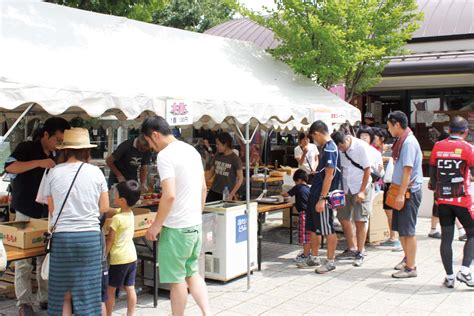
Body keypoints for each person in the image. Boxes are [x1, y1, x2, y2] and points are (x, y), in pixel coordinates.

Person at [141, 116, 210, 316]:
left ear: (154, 135)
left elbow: (169, 195)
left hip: (176, 229)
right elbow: (203, 188)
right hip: (194, 225)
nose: (151, 147)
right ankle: (207, 312)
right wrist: (196, 214)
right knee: (193, 274)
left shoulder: (165, 156)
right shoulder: (192, 151)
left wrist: (156, 226)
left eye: (148, 142)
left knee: (177, 279)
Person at [4, 117, 70, 315]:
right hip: (25, 210)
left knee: (45, 255)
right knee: (23, 260)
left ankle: (45, 298)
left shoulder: (59, 153)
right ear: (46, 134)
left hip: (47, 213)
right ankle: (24, 302)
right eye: (57, 139)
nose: (58, 144)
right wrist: (39, 163)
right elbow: (9, 167)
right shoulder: (27, 147)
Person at [45, 128, 110, 315]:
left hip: (62, 238)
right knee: (89, 294)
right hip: (89, 238)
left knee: (62, 293)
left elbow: (51, 208)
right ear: (86, 150)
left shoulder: (54, 173)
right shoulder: (96, 172)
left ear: (65, 149)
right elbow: (104, 207)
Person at [429, 116, 474, 288]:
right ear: (466, 132)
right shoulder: (468, 148)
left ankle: (449, 277)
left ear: (449, 130)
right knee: (472, 234)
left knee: (446, 239)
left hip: (442, 200)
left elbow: (432, 177)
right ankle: (464, 271)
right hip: (462, 200)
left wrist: (438, 190)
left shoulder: (438, 146)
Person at [386, 111, 423, 279]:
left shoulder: (408, 142)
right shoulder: (404, 141)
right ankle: (408, 260)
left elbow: (407, 170)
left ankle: (411, 267)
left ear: (397, 125)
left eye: (389, 126)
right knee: (402, 230)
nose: (388, 130)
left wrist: (401, 194)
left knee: (408, 231)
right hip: (402, 191)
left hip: (408, 192)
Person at [332, 131, 374, 267]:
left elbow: (368, 169)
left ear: (345, 141)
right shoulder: (340, 149)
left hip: (361, 186)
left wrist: (362, 191)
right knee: (343, 217)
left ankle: (360, 251)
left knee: (360, 220)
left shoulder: (361, 147)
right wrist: (341, 190)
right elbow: (342, 169)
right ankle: (351, 247)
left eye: (341, 147)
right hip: (346, 187)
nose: (340, 150)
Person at [306, 120, 343, 274]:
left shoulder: (330, 149)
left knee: (327, 228)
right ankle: (314, 257)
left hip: (324, 196)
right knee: (314, 227)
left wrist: (323, 198)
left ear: (317, 134)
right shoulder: (327, 148)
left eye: (314, 138)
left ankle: (330, 261)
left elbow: (329, 176)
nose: (315, 141)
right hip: (316, 192)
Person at [106, 180, 141, 315]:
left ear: (122, 200)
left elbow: (110, 239)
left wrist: (104, 255)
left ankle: (108, 314)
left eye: (115, 195)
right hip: (131, 256)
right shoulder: (129, 213)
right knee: (130, 288)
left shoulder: (117, 219)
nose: (113, 197)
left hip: (119, 259)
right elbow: (114, 211)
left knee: (111, 289)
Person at [428, 132, 468, 241]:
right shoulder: (444, 151)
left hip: (439, 185)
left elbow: (432, 170)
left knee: (439, 207)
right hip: (444, 185)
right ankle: (461, 231)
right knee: (448, 207)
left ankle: (433, 229)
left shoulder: (438, 150)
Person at [280, 169, 321, 267]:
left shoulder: (298, 187)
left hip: (304, 214)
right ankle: (309, 254)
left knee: (305, 237)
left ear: (298, 179)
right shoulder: (308, 188)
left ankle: (306, 255)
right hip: (312, 213)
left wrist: (281, 193)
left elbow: (286, 195)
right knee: (311, 235)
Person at [373, 128, 402, 250]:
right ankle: (392, 237)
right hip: (385, 182)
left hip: (392, 183)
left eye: (375, 137)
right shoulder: (378, 150)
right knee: (388, 211)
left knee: (391, 212)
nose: (373, 140)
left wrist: (382, 158)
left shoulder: (391, 150)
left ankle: (395, 238)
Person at [206, 132, 243, 202]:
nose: (216, 146)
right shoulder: (217, 155)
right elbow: (211, 172)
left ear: (225, 144)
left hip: (226, 193)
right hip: (214, 190)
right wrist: (202, 182)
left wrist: (232, 194)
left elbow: (240, 179)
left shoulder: (235, 159)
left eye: (218, 144)